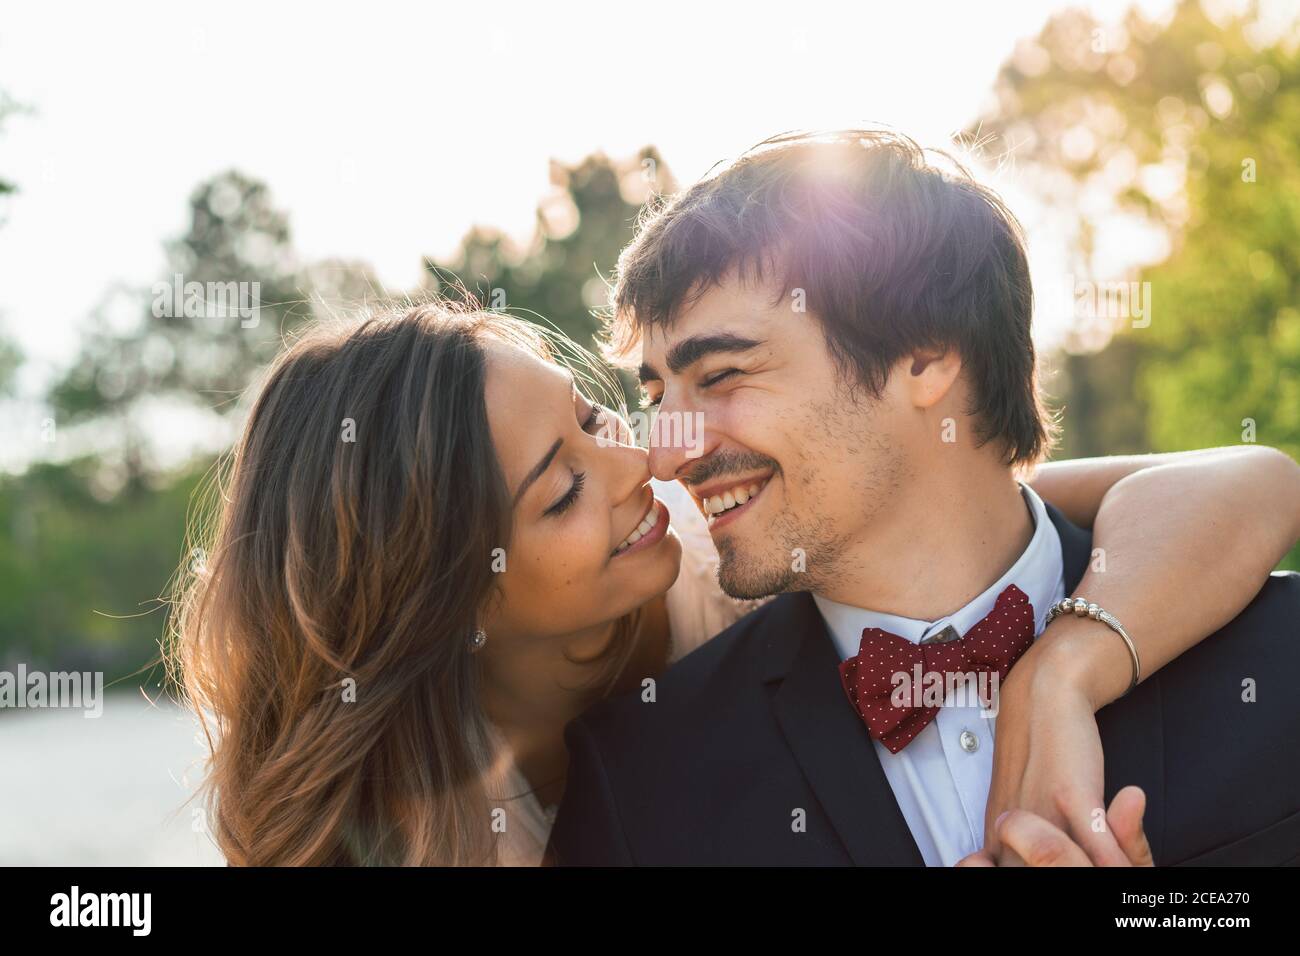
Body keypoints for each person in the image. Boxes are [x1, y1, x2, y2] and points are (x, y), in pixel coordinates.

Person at [547, 129, 1300, 866]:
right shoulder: (639, 790)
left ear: (925, 355)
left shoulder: (1280, 659)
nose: (668, 454)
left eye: (719, 377)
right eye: (657, 395)